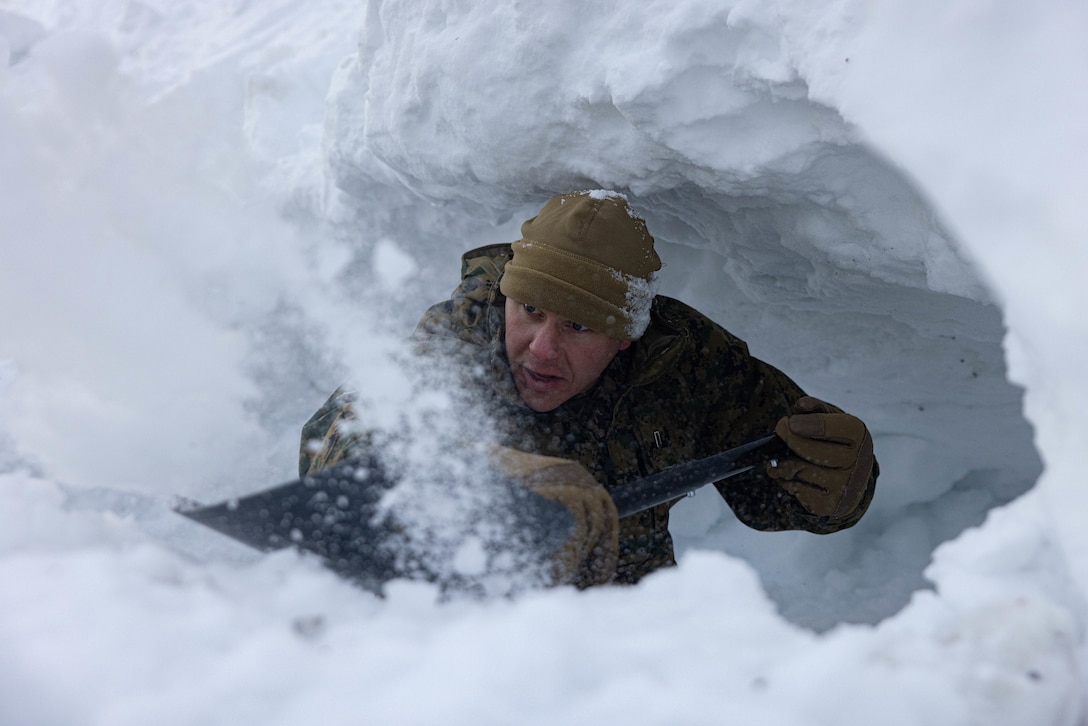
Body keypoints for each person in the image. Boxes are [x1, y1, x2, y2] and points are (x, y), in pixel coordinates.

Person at [299, 191, 877, 589]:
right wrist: (470, 468)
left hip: (624, 648)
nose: (542, 348)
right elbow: (337, 438)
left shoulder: (682, 363)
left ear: (627, 338)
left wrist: (840, 487)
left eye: (578, 326)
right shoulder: (464, 335)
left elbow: (774, 487)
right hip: (461, 647)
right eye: (530, 311)